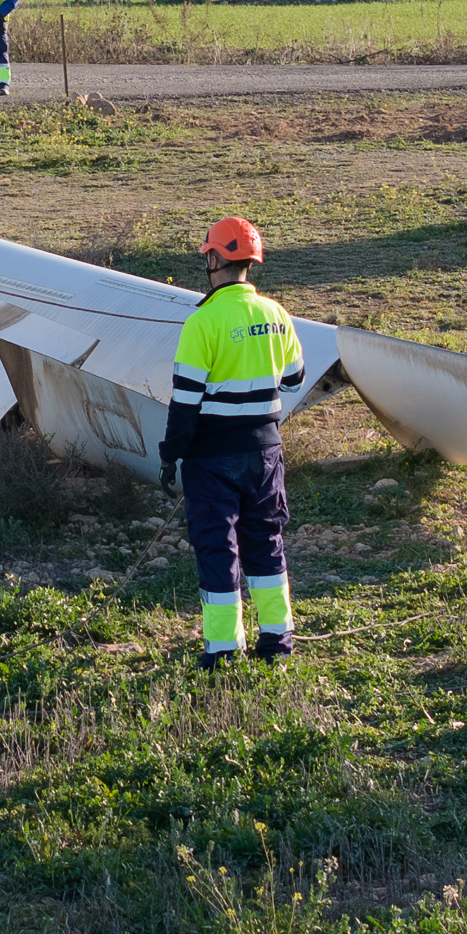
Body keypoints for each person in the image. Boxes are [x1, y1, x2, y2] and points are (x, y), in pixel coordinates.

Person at [158, 216, 306, 669]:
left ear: (216, 258)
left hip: (212, 457)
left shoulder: (203, 322)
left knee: (218, 548)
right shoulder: (276, 314)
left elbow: (184, 403)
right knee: (267, 541)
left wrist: (171, 455)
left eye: (208, 255)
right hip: (266, 452)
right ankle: (277, 642)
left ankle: (223, 649)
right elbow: (295, 377)